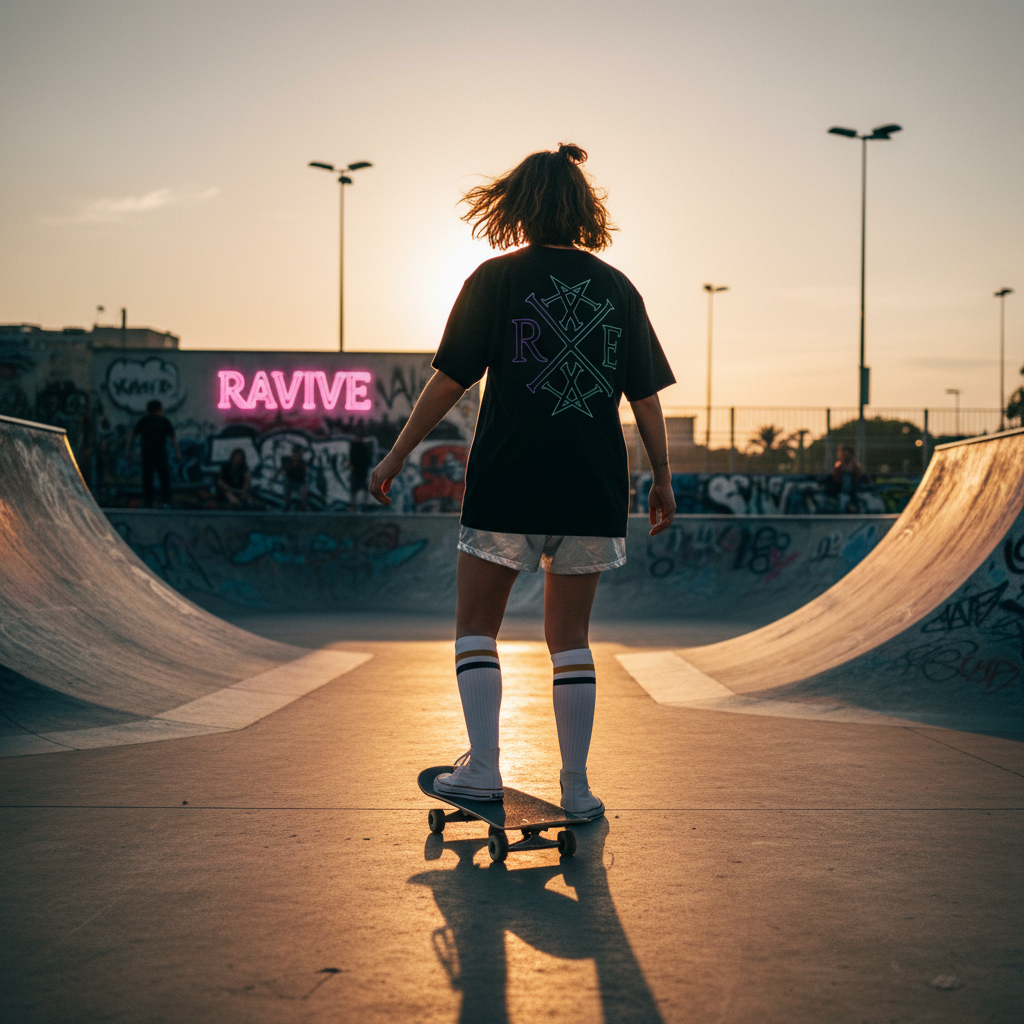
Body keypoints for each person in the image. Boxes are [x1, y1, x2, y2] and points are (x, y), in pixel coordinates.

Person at [369, 143, 676, 818]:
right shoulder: (619, 288)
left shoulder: (496, 279)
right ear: (582, 209)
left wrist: (396, 456)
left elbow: (450, 380)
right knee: (571, 640)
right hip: (591, 484)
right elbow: (646, 398)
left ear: (518, 205)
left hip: (509, 476)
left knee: (477, 624)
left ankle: (481, 769)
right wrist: (661, 478)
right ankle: (577, 786)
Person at [124, 399, 180, 508]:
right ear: (160, 410)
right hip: (160, 455)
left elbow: (131, 436)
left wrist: (128, 452)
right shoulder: (164, 421)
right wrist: (177, 452)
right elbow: (173, 437)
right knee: (164, 479)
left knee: (148, 480)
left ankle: (148, 502)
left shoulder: (144, 421)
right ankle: (165, 502)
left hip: (147, 455)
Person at [348, 422, 373, 512]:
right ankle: (357, 507)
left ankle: (361, 507)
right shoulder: (358, 446)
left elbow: (366, 460)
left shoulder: (361, 446)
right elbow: (353, 459)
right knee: (355, 491)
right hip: (358, 472)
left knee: (358, 491)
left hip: (360, 472)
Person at [832, 445, 862, 513]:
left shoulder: (855, 465)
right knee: (845, 477)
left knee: (847, 477)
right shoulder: (838, 465)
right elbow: (836, 478)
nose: (845, 456)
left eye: (847, 454)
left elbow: (857, 477)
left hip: (853, 488)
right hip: (840, 489)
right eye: (844, 454)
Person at [279, 444, 308, 511]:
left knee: (304, 487)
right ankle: (287, 504)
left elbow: (305, 473)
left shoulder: (302, 463)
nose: (297, 456)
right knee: (288, 484)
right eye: (296, 454)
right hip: (291, 481)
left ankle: (303, 505)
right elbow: (283, 471)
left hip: (299, 482)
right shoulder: (289, 462)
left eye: (299, 455)